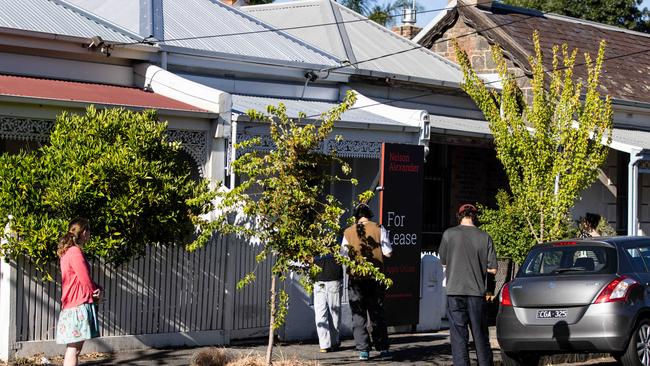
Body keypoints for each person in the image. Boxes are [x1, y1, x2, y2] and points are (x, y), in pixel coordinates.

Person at [439, 204, 497, 366]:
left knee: (458, 338)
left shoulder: (449, 234)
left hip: (454, 292)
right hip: (476, 294)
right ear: (475, 216)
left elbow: (443, 262)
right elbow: (492, 270)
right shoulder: (485, 237)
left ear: (459, 216)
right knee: (480, 336)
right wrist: (489, 291)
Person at [341, 203, 392, 361]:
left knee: (358, 314)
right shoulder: (379, 228)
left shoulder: (348, 231)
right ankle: (383, 348)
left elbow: (343, 255)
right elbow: (388, 252)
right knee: (377, 313)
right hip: (375, 278)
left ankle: (363, 350)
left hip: (356, 279)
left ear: (356, 216)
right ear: (370, 215)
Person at [56, 218, 102, 366]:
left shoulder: (66, 252)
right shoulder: (75, 252)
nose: (90, 235)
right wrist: (95, 292)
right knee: (74, 349)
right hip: (78, 306)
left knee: (73, 348)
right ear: (83, 232)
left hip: (72, 305)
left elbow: (80, 278)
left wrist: (97, 288)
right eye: (88, 231)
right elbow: (84, 278)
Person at [313, 253, 343, 352]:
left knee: (320, 312)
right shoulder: (338, 237)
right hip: (334, 275)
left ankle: (324, 344)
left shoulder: (313, 238)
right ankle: (334, 342)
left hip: (318, 277)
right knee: (335, 313)